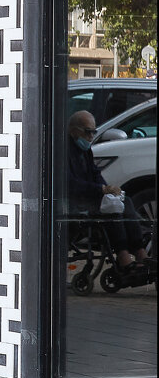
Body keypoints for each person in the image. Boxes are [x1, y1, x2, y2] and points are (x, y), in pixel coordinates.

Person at [67, 110, 152, 273]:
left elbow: (95, 173)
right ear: (74, 130)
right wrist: (100, 189)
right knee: (110, 212)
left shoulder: (85, 151)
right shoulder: (63, 152)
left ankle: (140, 251)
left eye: (93, 132)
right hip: (74, 200)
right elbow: (69, 183)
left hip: (89, 195)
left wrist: (108, 189)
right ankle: (122, 255)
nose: (91, 136)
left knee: (123, 201)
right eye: (88, 132)